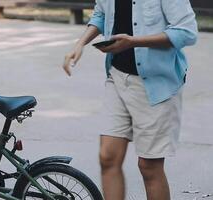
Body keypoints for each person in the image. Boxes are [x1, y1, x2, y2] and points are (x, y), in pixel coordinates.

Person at [62, 0, 198, 199]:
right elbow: (100, 14)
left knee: (149, 166)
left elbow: (187, 32)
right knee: (108, 157)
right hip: (116, 77)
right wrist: (80, 44)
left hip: (156, 84)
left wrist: (134, 42)